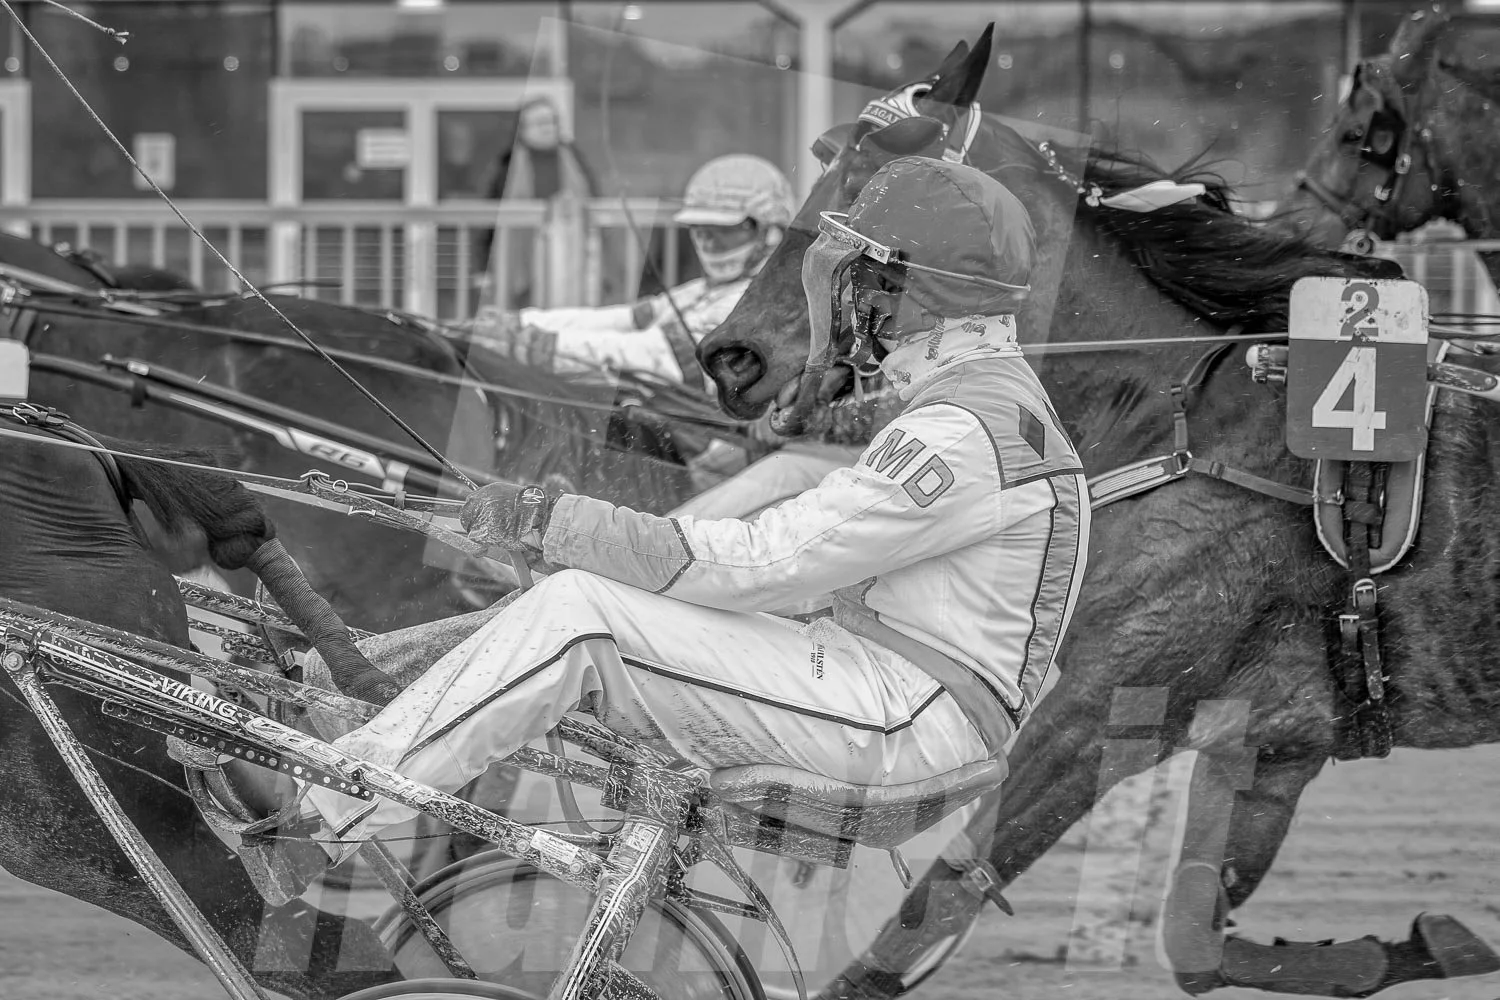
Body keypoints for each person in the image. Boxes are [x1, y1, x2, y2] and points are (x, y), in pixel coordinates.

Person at [291, 156, 1092, 856]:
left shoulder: (958, 432)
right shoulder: (970, 403)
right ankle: (339, 719)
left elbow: (765, 565)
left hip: (906, 721)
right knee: (589, 598)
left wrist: (556, 523)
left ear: (906, 293)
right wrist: (582, 540)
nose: (842, 292)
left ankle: (324, 809)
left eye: (860, 274)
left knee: (583, 616)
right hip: (882, 685)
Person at [475, 96, 598, 311]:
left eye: (552, 121)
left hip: (568, 259)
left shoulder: (574, 159)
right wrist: (483, 266)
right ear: (523, 129)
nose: (548, 128)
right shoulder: (507, 166)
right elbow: (490, 220)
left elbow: (593, 203)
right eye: (540, 123)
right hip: (522, 260)